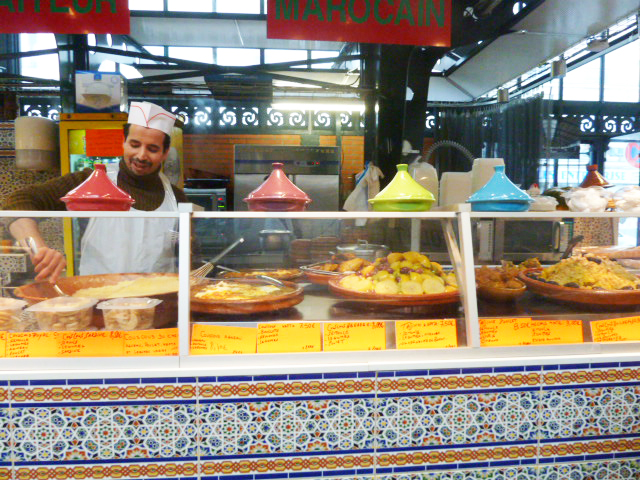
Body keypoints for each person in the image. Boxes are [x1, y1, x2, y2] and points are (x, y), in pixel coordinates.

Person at [2, 101, 189, 282]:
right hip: (100, 301)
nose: (141, 155)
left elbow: (189, 255)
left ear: (165, 153)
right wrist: (39, 250)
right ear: (123, 143)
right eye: (134, 144)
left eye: (153, 149)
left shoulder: (177, 198)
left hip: (159, 303)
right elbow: (18, 201)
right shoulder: (89, 181)